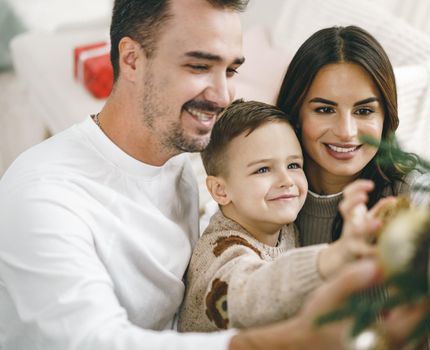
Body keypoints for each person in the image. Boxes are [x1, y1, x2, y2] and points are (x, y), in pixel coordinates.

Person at [0, 1, 393, 349]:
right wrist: (290, 340)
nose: (222, 96)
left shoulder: (181, 158)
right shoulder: (44, 195)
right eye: (199, 65)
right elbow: (94, 342)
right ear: (132, 58)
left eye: (231, 69)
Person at [275, 26, 430, 348]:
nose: (346, 132)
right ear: (296, 113)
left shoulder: (414, 196)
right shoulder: (266, 193)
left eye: (364, 111)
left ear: (385, 118)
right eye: (324, 109)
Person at [178, 99, 377, 332]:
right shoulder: (220, 252)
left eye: (293, 165)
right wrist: (332, 256)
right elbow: (250, 296)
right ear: (220, 191)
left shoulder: (282, 228)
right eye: (263, 169)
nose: (286, 181)